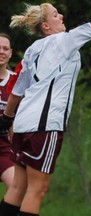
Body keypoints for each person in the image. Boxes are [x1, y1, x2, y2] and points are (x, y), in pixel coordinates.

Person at [0, 1, 91, 216]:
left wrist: (7, 118)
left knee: (18, 187)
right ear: (46, 26)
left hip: (22, 125)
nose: (61, 18)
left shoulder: (33, 49)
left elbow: (17, 91)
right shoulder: (65, 41)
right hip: (44, 126)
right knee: (37, 190)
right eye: (56, 15)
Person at [0, 33, 16, 192]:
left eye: (5, 49)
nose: (2, 52)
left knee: (17, 189)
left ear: (10, 53)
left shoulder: (17, 80)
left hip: (6, 149)